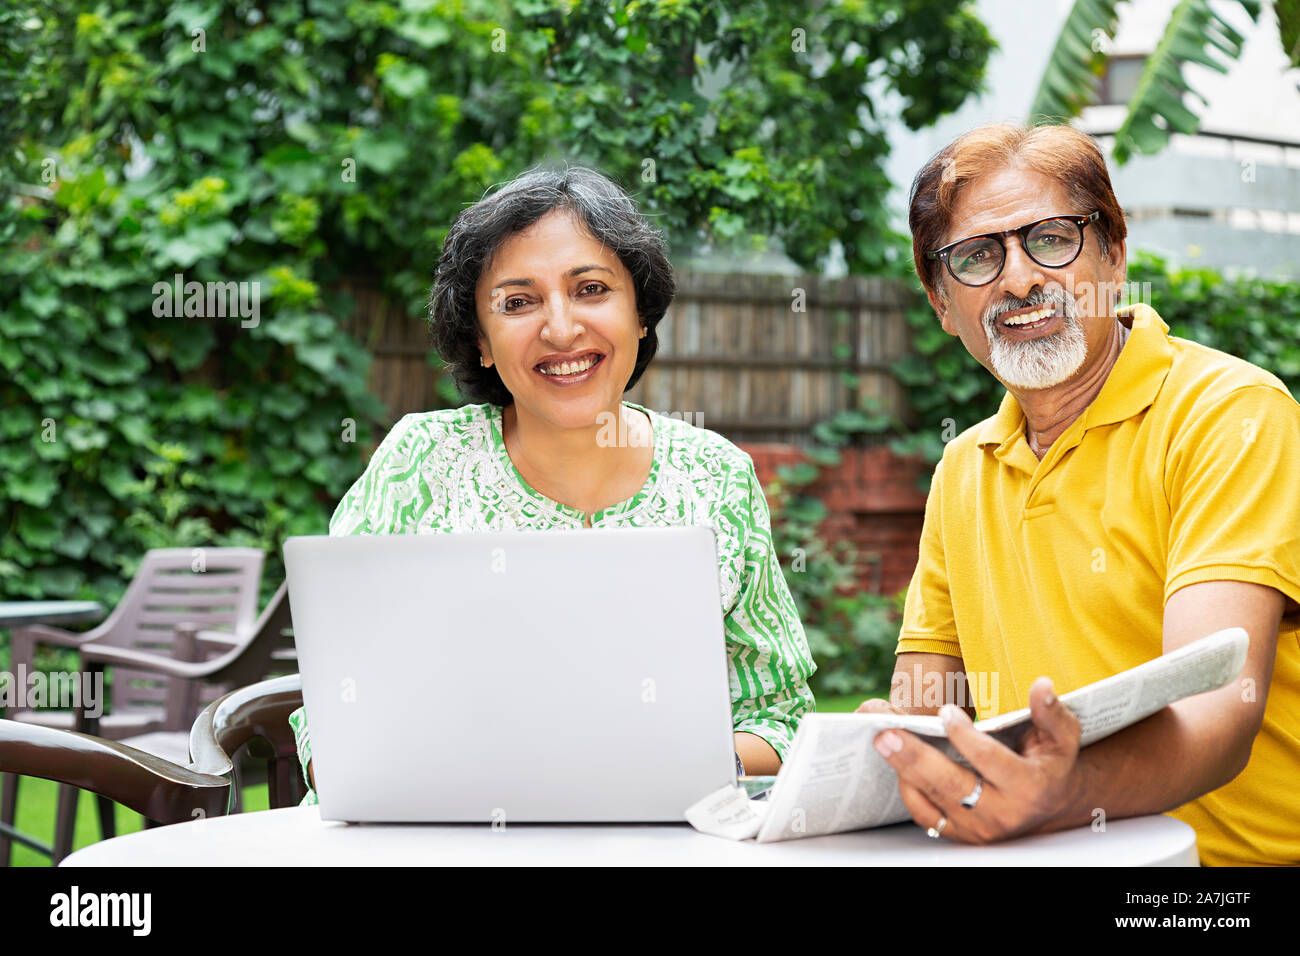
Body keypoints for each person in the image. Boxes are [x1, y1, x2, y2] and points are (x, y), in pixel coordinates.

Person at [289, 166, 816, 804]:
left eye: (590, 289)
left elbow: (779, 720)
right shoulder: (419, 464)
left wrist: (639, 769)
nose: (561, 329)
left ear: (641, 315)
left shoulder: (718, 478)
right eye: (518, 302)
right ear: (481, 341)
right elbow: (335, 718)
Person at [858, 122, 1299, 866]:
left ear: (1114, 256)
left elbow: (1221, 707)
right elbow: (928, 707)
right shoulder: (962, 468)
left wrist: (1064, 793)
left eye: (1052, 239)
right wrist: (895, 746)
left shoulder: (1232, 414)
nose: (1020, 278)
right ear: (941, 303)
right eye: (976, 256)